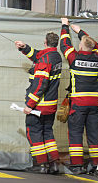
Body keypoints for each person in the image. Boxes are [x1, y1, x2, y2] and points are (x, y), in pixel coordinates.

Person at [15, 32, 64, 173]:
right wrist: (24, 47)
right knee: (47, 133)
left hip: (39, 106)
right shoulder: (55, 56)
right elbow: (37, 54)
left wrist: (29, 105)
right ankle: (54, 164)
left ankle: (40, 165)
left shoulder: (45, 60)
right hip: (51, 105)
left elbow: (40, 85)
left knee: (34, 132)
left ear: (45, 42)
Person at [60, 17, 98, 174]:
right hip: (95, 103)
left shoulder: (74, 58)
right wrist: (80, 32)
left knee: (76, 133)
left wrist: (65, 26)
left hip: (79, 103)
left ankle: (77, 166)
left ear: (80, 46)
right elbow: (96, 45)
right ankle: (97, 165)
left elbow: (64, 44)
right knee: (94, 135)